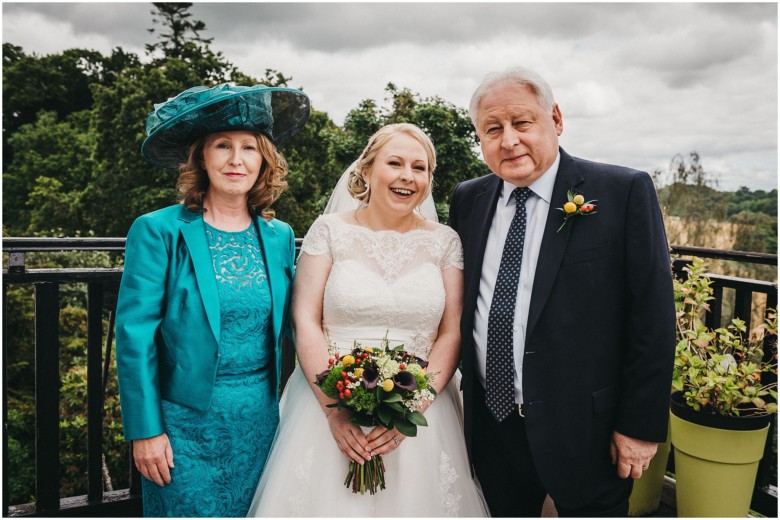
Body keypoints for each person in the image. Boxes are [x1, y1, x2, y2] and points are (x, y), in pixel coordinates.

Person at [448, 66, 676, 517]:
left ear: (555, 119)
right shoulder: (467, 199)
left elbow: (652, 317)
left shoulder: (623, 191)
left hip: (587, 430)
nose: (508, 140)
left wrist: (640, 427)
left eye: (522, 123)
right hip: (491, 429)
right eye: (492, 129)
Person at [247, 123, 488, 517]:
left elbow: (451, 331)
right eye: (394, 163)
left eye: (420, 167)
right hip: (327, 400)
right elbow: (304, 319)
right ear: (367, 170)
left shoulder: (445, 241)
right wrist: (334, 411)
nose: (407, 176)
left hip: (423, 414)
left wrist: (415, 406)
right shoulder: (330, 231)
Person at [116, 83, 310, 516]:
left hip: (261, 424)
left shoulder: (279, 237)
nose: (236, 160)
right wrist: (145, 431)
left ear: (264, 160)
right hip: (182, 428)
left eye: (249, 148)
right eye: (222, 146)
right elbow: (134, 338)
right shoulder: (157, 230)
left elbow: (300, 323)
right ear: (202, 157)